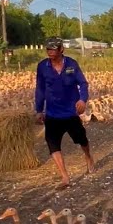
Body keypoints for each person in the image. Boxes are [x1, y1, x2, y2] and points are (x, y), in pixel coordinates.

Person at [33, 37, 94, 188]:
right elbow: (40, 89)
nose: (50, 52)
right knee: (52, 144)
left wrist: (82, 100)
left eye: (53, 49)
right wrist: (39, 110)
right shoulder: (42, 66)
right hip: (52, 113)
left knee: (81, 139)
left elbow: (83, 83)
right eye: (48, 49)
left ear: (61, 49)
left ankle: (88, 157)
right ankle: (65, 177)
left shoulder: (71, 65)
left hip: (71, 112)